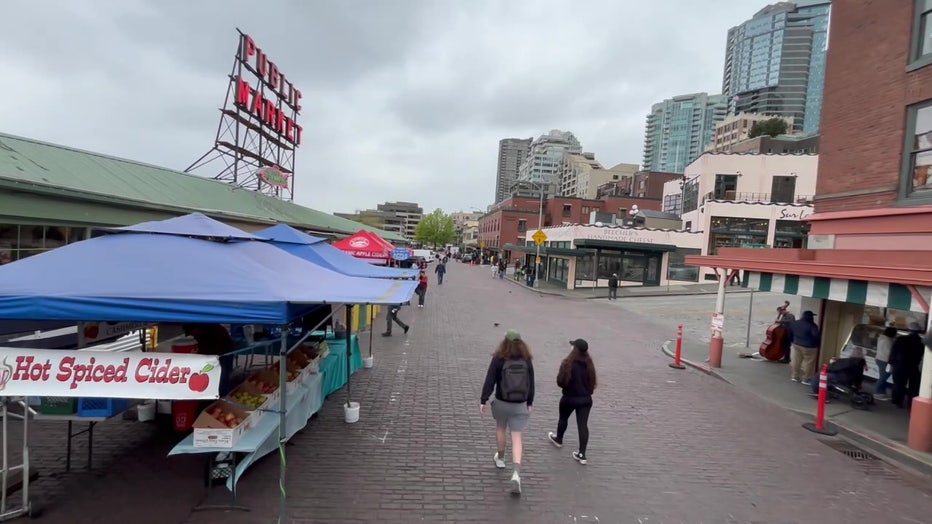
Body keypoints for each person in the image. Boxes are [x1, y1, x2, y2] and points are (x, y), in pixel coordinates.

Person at [480, 329, 535, 495]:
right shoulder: (526, 359)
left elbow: (490, 379)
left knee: (500, 428)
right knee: (517, 436)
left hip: (502, 401)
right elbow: (531, 382)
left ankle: (501, 458)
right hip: (520, 403)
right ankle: (516, 473)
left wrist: (483, 399)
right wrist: (530, 402)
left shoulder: (499, 358)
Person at [548, 339, 596, 465]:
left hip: (569, 398)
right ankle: (582, 454)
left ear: (574, 349)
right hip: (585, 399)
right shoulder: (589, 364)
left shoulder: (567, 363)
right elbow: (592, 383)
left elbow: (560, 382)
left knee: (563, 418)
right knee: (583, 425)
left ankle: (559, 439)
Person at [182, 323, 236, 397]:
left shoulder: (213, 332)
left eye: (192, 333)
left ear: (196, 328)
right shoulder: (200, 333)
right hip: (213, 352)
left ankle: (223, 396)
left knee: (223, 375)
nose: (193, 335)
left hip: (224, 352)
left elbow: (215, 350)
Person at [890, 322, 926, 409]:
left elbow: (893, 352)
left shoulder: (901, 339)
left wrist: (891, 363)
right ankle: (911, 404)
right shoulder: (921, 342)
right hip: (914, 366)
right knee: (913, 387)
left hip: (900, 365)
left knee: (899, 384)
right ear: (918, 331)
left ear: (909, 330)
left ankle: (897, 402)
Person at [788, 310, 820, 384]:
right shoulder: (812, 325)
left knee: (796, 360)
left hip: (796, 344)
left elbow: (790, 333)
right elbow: (816, 336)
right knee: (809, 362)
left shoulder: (794, 323)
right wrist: (817, 344)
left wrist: (792, 341)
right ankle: (806, 378)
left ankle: (794, 376)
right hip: (809, 347)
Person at [873, 325, 897, 399]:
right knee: (883, 377)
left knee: (883, 376)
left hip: (879, 358)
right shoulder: (888, 341)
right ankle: (876, 392)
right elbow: (889, 352)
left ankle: (882, 393)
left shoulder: (881, 338)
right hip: (885, 360)